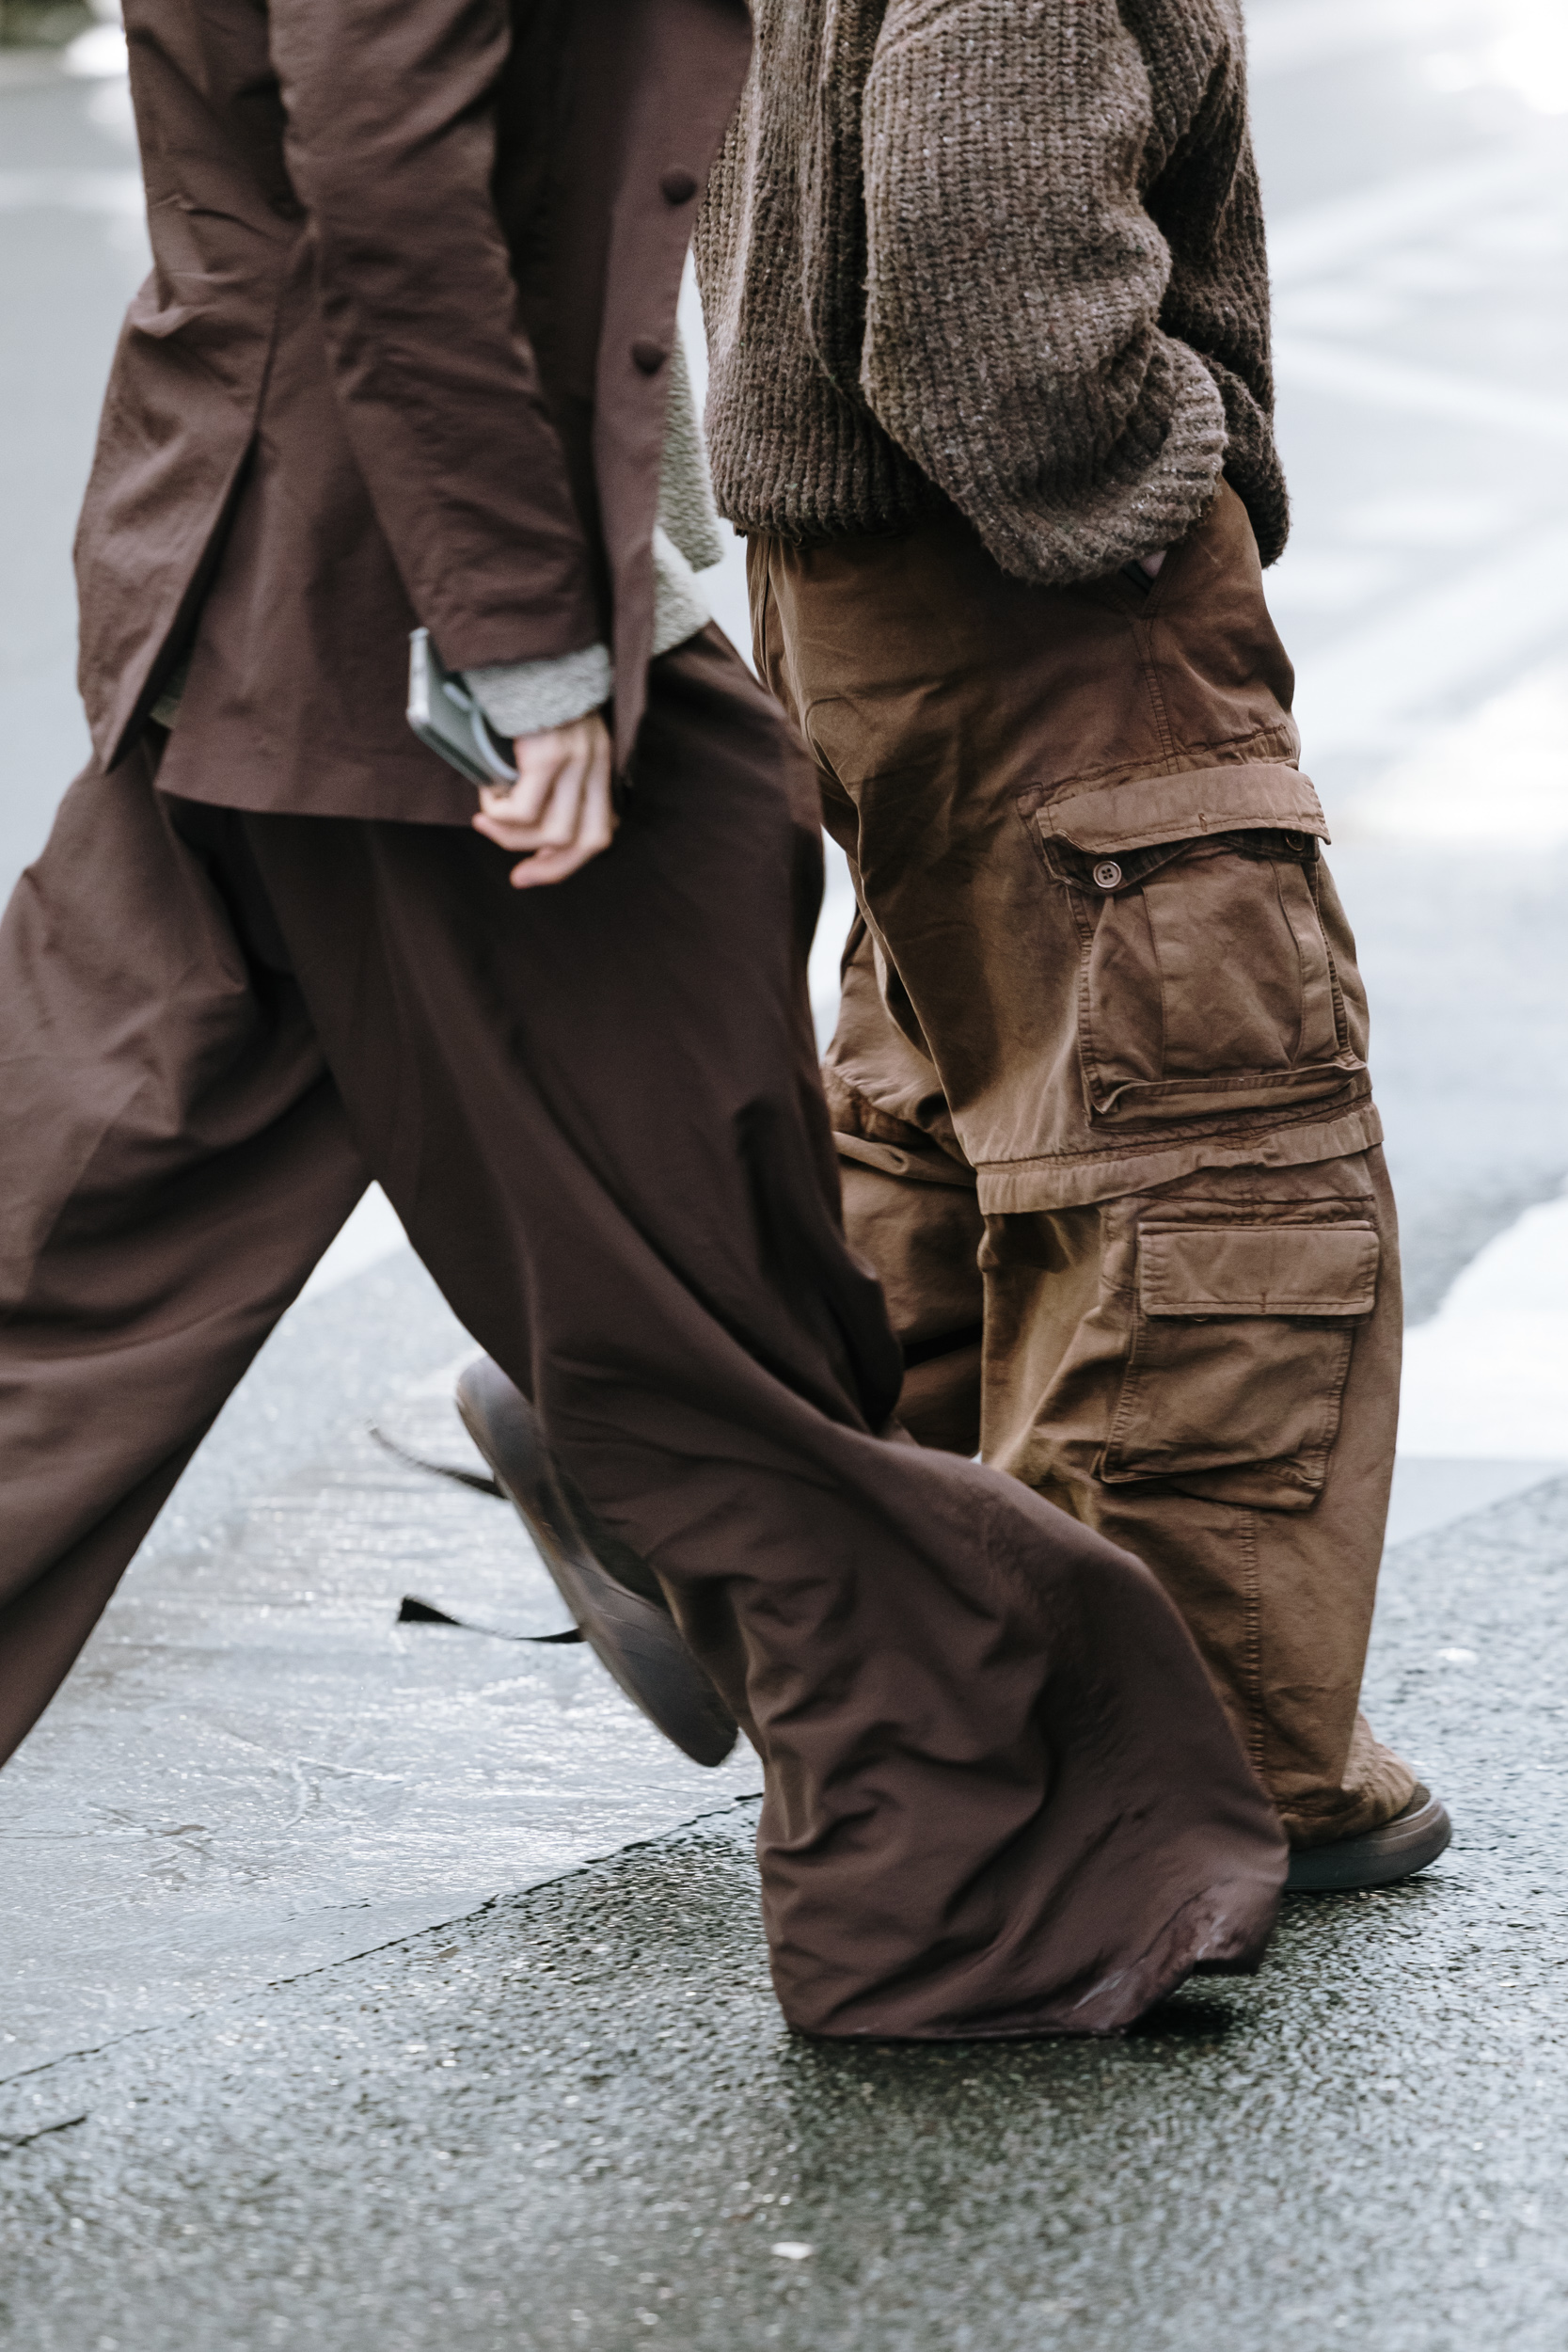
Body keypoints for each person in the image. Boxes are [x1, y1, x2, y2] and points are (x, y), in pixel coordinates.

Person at [0, 0, 1287, 2040]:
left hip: (283, 587)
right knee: (711, 1320)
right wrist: (525, 646)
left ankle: (956, 1873)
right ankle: (962, 1894)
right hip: (416, 626)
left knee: (62, 1291)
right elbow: (392, 175)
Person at [691, 0, 1449, 1892]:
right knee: (1199, 1150)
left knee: (961, 1124)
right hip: (1029, 575)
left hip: (862, 571)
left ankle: (913, 1692)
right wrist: (1158, 471)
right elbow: (978, 284)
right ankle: (1173, 1762)